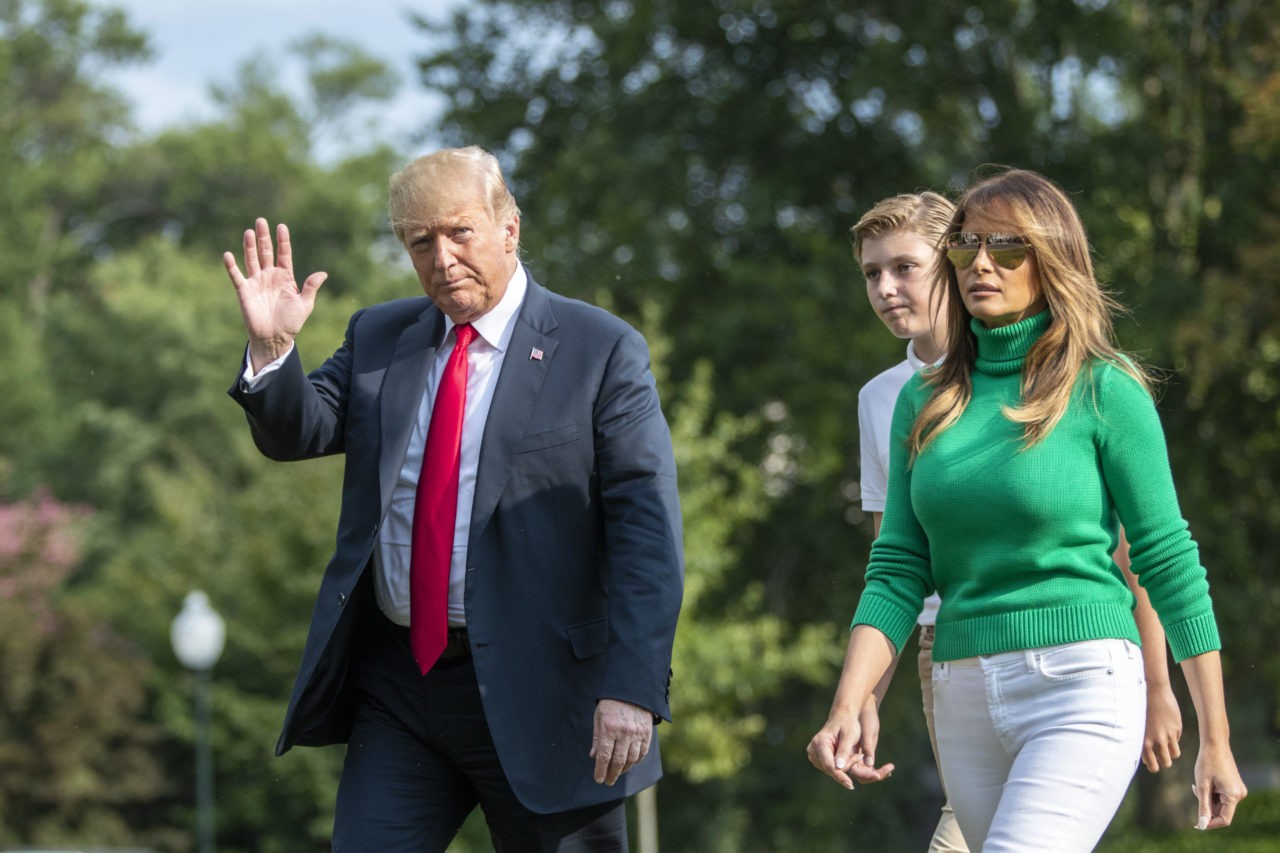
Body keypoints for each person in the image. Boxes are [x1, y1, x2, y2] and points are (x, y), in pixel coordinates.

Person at [222, 146, 684, 850]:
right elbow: (300, 431)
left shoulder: (600, 350)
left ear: (509, 227)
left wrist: (634, 685)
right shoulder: (381, 335)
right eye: (420, 241)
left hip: (553, 695)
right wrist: (272, 350)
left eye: (459, 231)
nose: (442, 257)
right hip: (401, 688)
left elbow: (647, 533)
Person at [810, 169, 1246, 850]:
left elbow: (1167, 561)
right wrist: (848, 700)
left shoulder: (1105, 389)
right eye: (966, 246)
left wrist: (1214, 736)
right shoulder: (918, 405)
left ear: (1051, 257)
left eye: (1007, 246)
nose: (981, 262)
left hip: (1082, 681)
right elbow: (895, 569)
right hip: (962, 694)